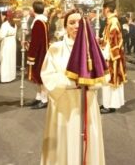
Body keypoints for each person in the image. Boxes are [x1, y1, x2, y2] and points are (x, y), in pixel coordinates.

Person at [40, 10, 106, 165]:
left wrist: (91, 83)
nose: (76, 26)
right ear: (65, 26)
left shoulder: (93, 49)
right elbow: (48, 76)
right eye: (71, 23)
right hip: (64, 107)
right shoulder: (56, 48)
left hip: (87, 105)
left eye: (80, 22)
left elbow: (104, 76)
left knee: (87, 145)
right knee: (64, 144)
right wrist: (73, 82)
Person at [99, 1, 127, 114]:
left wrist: (105, 55)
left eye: (103, 9)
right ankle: (107, 103)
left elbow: (113, 42)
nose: (102, 11)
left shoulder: (113, 22)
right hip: (111, 55)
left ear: (106, 9)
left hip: (112, 57)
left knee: (110, 81)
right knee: (108, 82)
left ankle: (111, 105)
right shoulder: (111, 21)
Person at [26, 0, 49, 109]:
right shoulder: (42, 21)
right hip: (42, 51)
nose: (30, 9)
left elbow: (36, 41)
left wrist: (31, 55)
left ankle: (44, 99)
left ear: (34, 9)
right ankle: (39, 97)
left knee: (41, 76)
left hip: (40, 53)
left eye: (31, 7)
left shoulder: (39, 22)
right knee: (38, 76)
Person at [0, 10, 17, 83]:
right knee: (11, 59)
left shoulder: (5, 24)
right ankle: (11, 76)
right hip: (12, 42)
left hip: (6, 43)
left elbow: (1, 35)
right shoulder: (14, 24)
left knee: (4, 60)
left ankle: (5, 78)